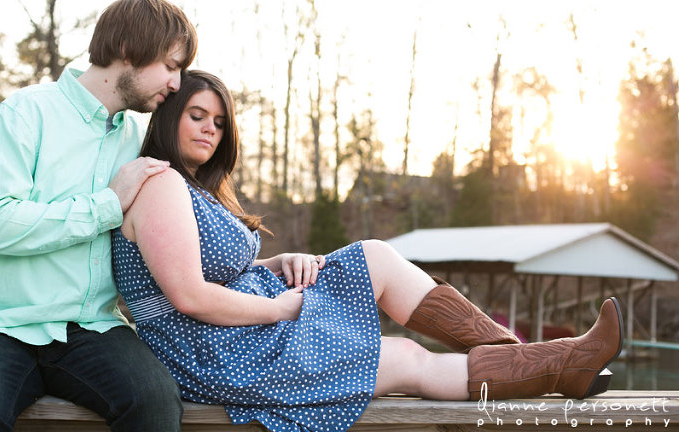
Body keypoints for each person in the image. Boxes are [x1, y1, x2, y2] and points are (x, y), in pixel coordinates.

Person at [112, 70, 624, 432]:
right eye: (197, 115)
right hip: (215, 350)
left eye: (220, 122)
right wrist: (279, 305)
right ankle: (556, 365)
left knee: (375, 255)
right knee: (402, 357)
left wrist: (275, 263)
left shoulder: (194, 187)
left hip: (242, 324)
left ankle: (542, 362)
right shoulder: (160, 184)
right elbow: (189, 296)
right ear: (169, 116)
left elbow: (204, 265)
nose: (210, 129)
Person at [0, 0, 198, 432]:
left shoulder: (140, 138)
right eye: (171, 66)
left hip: (91, 329)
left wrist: (264, 266)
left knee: (155, 403)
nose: (175, 83)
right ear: (129, 51)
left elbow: (173, 240)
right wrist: (107, 206)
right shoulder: (26, 112)